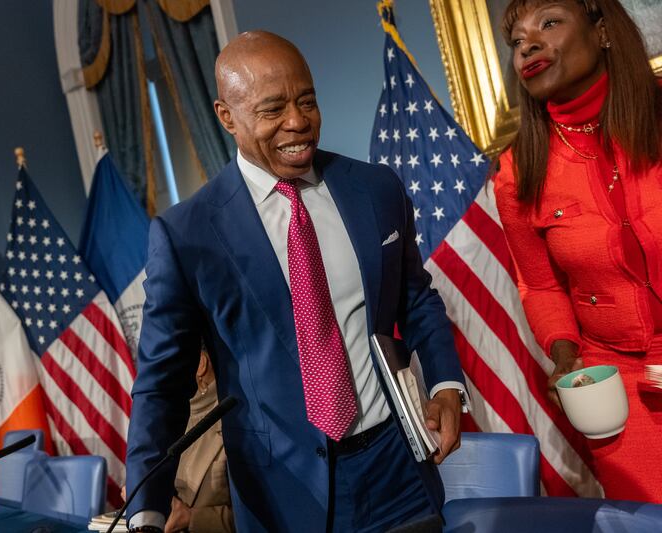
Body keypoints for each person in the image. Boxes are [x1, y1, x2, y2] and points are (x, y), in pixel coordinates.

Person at [124, 31, 467, 533]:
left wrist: (445, 383)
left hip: (399, 474)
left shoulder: (374, 189)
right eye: (273, 109)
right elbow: (161, 386)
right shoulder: (186, 235)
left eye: (307, 100)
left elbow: (415, 298)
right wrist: (146, 513)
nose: (298, 122)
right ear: (227, 117)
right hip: (284, 500)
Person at [494, 0, 662, 503]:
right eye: (517, 39)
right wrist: (564, 353)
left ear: (603, 31)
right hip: (618, 383)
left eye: (549, 23)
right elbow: (541, 284)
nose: (529, 44)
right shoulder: (518, 170)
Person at [165, 350, 234, 533]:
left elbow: (262, 515)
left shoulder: (237, 420)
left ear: (201, 364)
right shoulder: (165, 420)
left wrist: (191, 517)